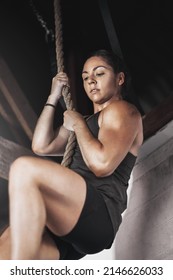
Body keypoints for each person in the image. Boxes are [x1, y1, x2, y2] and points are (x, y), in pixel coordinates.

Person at [0, 49, 143, 260]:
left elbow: (102, 165)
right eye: (85, 77)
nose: (91, 81)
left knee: (23, 168)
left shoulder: (123, 111)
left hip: (97, 215)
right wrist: (53, 96)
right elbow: (41, 145)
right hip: (68, 225)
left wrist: (76, 123)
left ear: (119, 78)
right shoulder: (84, 123)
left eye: (99, 73)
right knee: (6, 242)